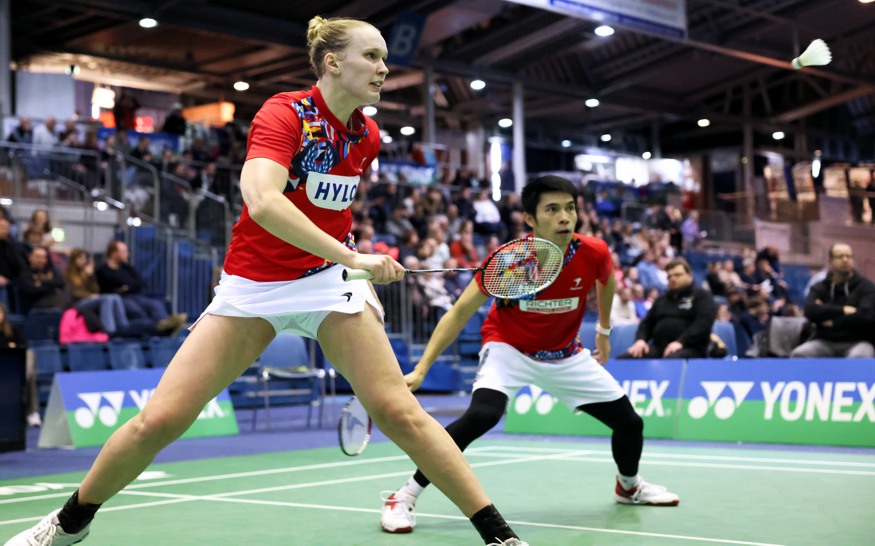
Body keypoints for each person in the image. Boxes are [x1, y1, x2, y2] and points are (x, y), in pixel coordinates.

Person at [4, 16, 526, 546]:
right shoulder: (286, 113)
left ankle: (499, 535)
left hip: (327, 281)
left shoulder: (365, 135)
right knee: (159, 421)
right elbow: (264, 202)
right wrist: (357, 257)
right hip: (253, 286)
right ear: (332, 62)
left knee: (398, 412)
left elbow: (327, 210)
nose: (384, 67)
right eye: (371, 55)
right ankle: (68, 523)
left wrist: (355, 273)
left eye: (384, 57)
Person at [379, 176, 678, 536]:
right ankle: (404, 495)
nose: (565, 217)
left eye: (570, 208)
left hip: (566, 353)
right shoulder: (508, 261)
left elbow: (607, 280)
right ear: (530, 219)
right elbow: (458, 313)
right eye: (552, 209)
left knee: (630, 424)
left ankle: (628, 487)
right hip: (509, 347)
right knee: (482, 415)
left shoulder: (594, 251)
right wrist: (422, 368)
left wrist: (603, 330)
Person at [619, 258, 717, 359]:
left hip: (691, 348)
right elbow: (646, 324)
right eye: (669, 276)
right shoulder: (661, 300)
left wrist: (681, 342)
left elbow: (703, 324)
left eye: (677, 275)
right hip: (659, 348)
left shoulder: (702, 296)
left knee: (672, 359)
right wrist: (640, 340)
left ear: (689, 275)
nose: (672, 279)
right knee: (626, 358)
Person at [790, 243, 875, 358]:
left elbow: (866, 316)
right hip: (825, 341)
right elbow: (810, 310)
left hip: (858, 342)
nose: (845, 260)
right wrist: (843, 310)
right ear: (830, 261)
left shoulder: (866, 287)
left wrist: (832, 321)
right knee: (799, 354)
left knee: (859, 358)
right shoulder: (820, 287)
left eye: (848, 256)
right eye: (840, 257)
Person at [94, 240, 187, 334]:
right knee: (135, 310)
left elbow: (139, 282)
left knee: (155, 304)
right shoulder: (102, 271)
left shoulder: (127, 268)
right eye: (123, 252)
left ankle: (165, 324)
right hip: (119, 299)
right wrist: (122, 288)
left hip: (135, 296)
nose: (127, 254)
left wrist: (127, 287)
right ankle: (155, 330)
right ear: (113, 253)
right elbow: (107, 287)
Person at [0, 302, 41, 427]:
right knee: (30, 376)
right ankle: (31, 410)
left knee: (30, 355)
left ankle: (33, 413)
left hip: (15, 367)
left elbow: (23, 347)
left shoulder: (14, 330)